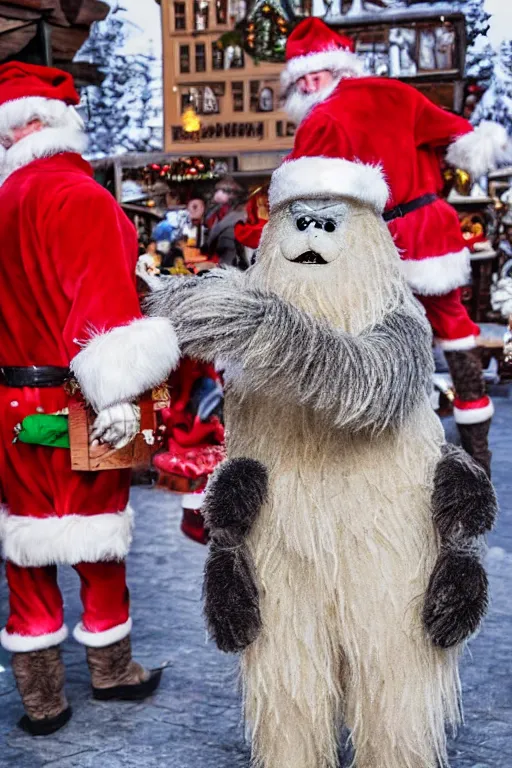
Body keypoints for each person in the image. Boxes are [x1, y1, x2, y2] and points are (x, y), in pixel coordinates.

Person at [0, 62, 179, 735]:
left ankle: (42, 700)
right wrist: (126, 401)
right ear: (58, 123)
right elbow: (102, 317)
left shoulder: (4, 199)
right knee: (100, 534)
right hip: (82, 396)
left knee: (26, 536)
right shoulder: (83, 198)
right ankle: (111, 671)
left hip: (13, 408)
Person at [275, 17, 512, 476]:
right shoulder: (397, 93)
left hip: (383, 242)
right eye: (301, 80)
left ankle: (399, 449)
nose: (307, 86)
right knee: (455, 329)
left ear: (332, 71)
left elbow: (301, 194)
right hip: (435, 228)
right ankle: (476, 454)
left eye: (311, 77)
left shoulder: (321, 120)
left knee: (383, 338)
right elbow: (461, 135)